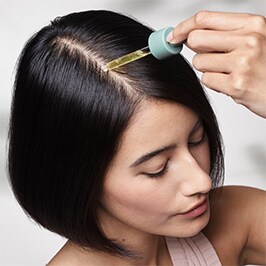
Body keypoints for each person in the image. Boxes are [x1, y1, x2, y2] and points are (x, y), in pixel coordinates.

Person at [8, 10, 265, 266]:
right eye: (158, 169)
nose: (202, 182)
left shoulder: (233, 220)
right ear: (77, 179)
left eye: (196, 139)